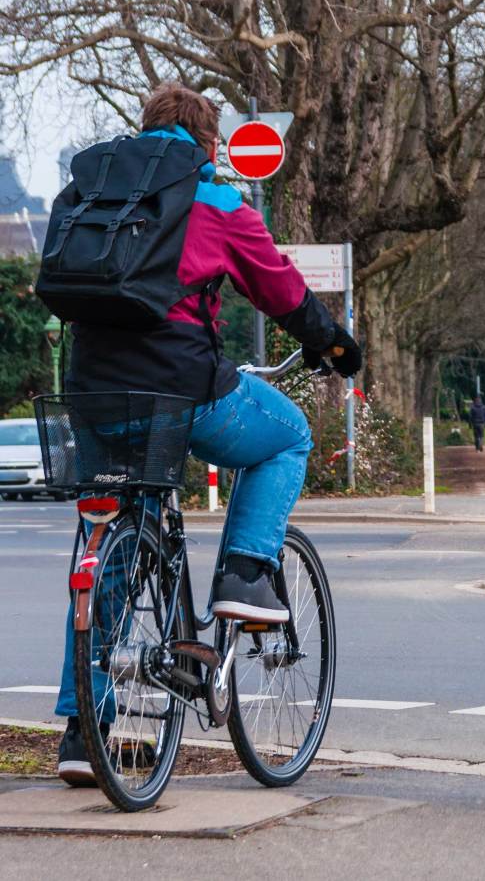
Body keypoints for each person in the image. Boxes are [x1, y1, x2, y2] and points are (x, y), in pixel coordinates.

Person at [50, 83, 362, 785]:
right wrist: (332, 344)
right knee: (287, 436)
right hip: (178, 388)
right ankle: (245, 574)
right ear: (209, 141)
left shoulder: (93, 190)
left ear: (145, 128)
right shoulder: (214, 198)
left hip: (91, 392)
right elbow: (278, 286)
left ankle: (81, 733)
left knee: (105, 550)